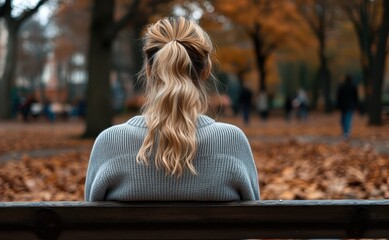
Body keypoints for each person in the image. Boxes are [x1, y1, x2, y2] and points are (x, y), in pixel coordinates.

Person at [84, 17, 260, 201]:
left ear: (149, 69)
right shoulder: (232, 143)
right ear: (206, 69)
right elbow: (253, 221)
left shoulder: (110, 144)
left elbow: (88, 222)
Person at [336, 74, 358, 139]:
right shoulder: (353, 86)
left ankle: (345, 131)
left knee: (343, 119)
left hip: (343, 105)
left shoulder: (342, 86)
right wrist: (356, 104)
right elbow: (355, 97)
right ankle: (346, 132)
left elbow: (338, 96)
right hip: (350, 105)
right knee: (348, 118)